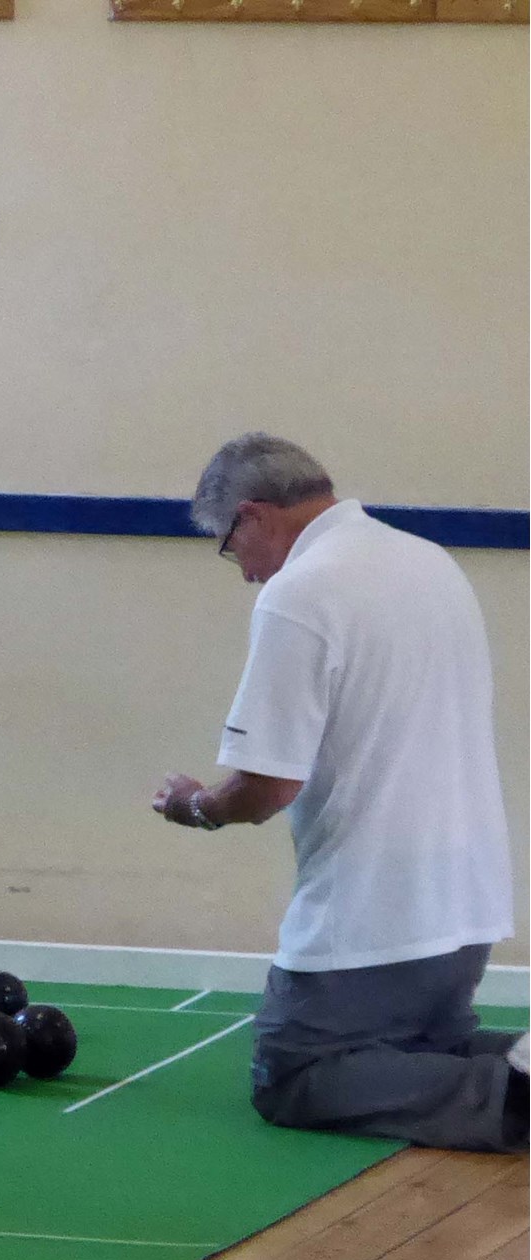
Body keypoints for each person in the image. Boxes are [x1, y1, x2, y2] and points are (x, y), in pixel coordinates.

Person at [152, 432, 525, 1152]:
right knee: (426, 1048)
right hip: (465, 898)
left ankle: (514, 1101)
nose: (244, 573)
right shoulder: (429, 560)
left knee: (295, 1073)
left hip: (373, 908)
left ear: (253, 514)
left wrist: (196, 807)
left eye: (230, 545)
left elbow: (268, 786)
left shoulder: (301, 592)